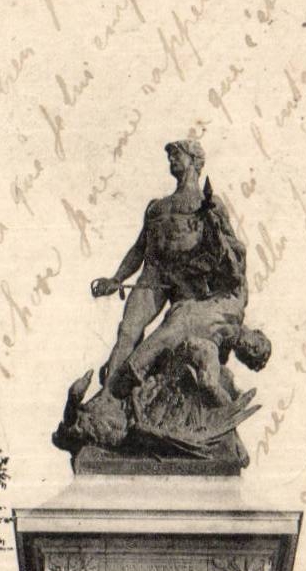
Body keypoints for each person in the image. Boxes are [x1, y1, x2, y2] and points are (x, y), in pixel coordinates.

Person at [90, 139, 248, 394]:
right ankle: (107, 397)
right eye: (170, 156)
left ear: (195, 161)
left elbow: (231, 250)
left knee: (173, 339)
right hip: (154, 276)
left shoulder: (209, 203)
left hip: (190, 284)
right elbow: (139, 248)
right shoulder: (156, 207)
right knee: (128, 330)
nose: (172, 160)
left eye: (178, 155)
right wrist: (116, 278)